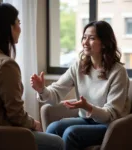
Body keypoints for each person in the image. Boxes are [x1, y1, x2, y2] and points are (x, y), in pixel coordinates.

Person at [31, 20, 131, 150]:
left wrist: (89, 108)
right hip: (87, 120)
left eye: (92, 38)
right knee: (53, 128)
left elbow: (111, 114)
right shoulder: (79, 66)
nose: (85, 42)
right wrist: (42, 90)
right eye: (84, 37)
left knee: (71, 133)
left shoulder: (118, 72)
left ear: (105, 43)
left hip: (110, 125)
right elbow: (56, 92)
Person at [0, 2, 64, 150]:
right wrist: (33, 123)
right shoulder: (5, 65)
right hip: (2, 135)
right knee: (57, 142)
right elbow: (16, 115)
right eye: (18, 23)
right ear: (8, 27)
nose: (20, 28)